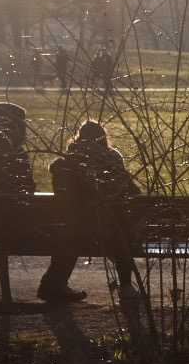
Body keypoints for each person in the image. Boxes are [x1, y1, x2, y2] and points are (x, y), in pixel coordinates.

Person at [0, 103, 85, 304]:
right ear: (12, 125)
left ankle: (53, 286)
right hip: (16, 229)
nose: (24, 129)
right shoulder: (14, 153)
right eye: (21, 124)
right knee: (72, 236)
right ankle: (53, 285)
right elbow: (26, 192)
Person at [53, 119, 140, 298]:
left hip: (76, 233)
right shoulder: (111, 157)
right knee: (122, 227)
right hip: (109, 234)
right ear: (103, 138)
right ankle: (125, 286)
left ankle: (54, 284)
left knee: (68, 236)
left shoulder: (68, 162)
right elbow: (130, 191)